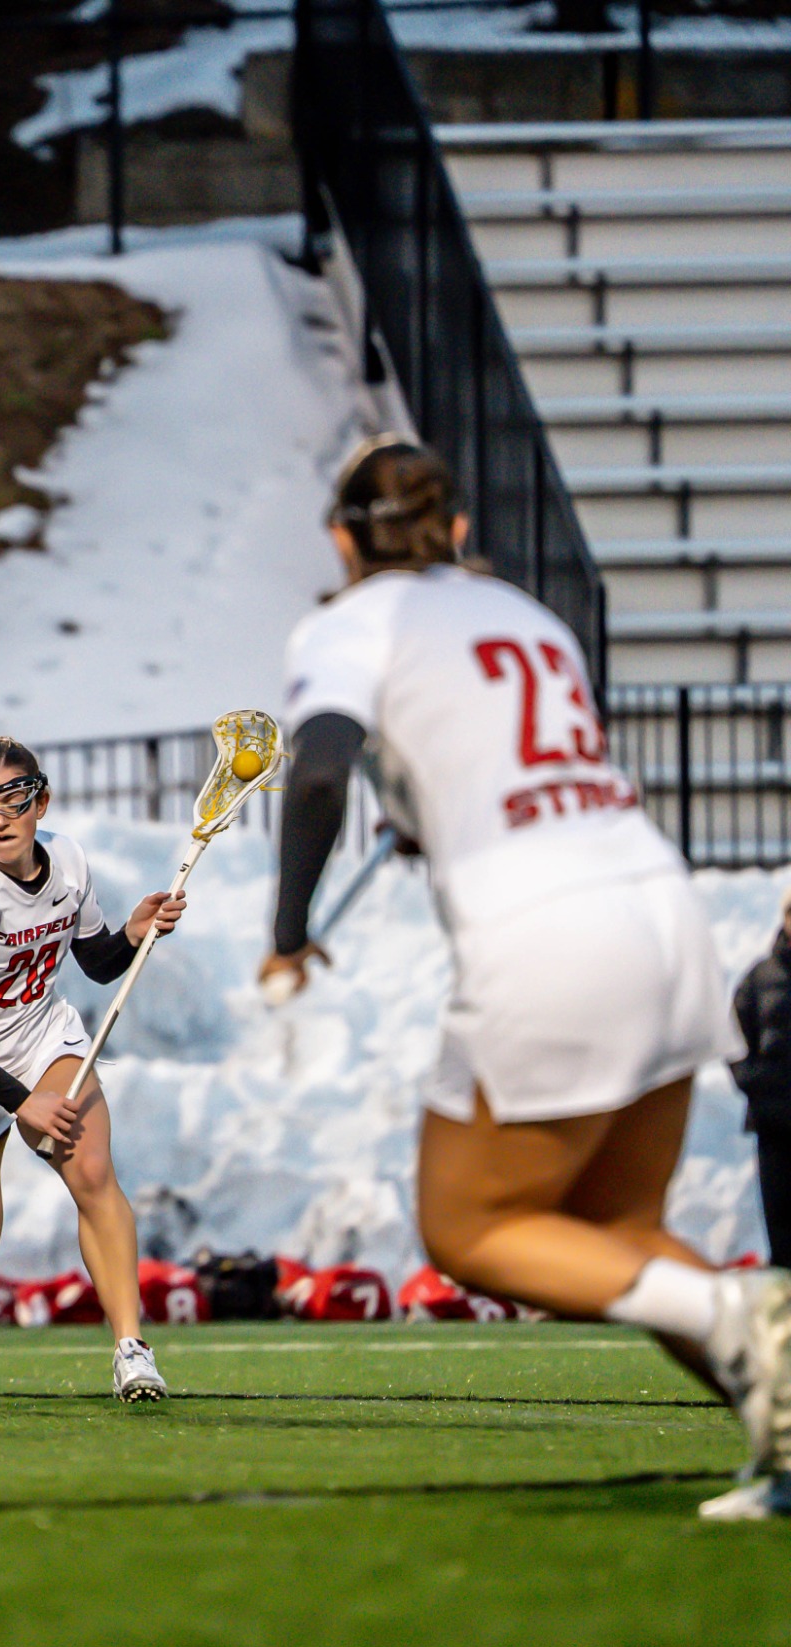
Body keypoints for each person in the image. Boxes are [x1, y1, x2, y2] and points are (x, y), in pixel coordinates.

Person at [259, 435, 791, 1521]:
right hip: (658, 902)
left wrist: (288, 930)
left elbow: (316, 770)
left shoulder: (350, 622)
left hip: (545, 931)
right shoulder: (524, 613)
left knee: (470, 1227)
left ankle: (738, 1310)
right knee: (617, 1228)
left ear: (342, 540)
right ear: (457, 526)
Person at [0, 738, 185, 1401]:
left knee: (93, 1172)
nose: (0, 818)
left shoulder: (69, 861)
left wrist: (134, 934)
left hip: (40, 1038)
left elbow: (98, 964)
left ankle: (132, 1350)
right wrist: (21, 1102)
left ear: (41, 801)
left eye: (15, 799)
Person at [730, 886, 791, 1266]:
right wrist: (754, 1082)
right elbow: (735, 1039)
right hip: (775, 1124)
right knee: (781, 1220)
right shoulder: (760, 977)